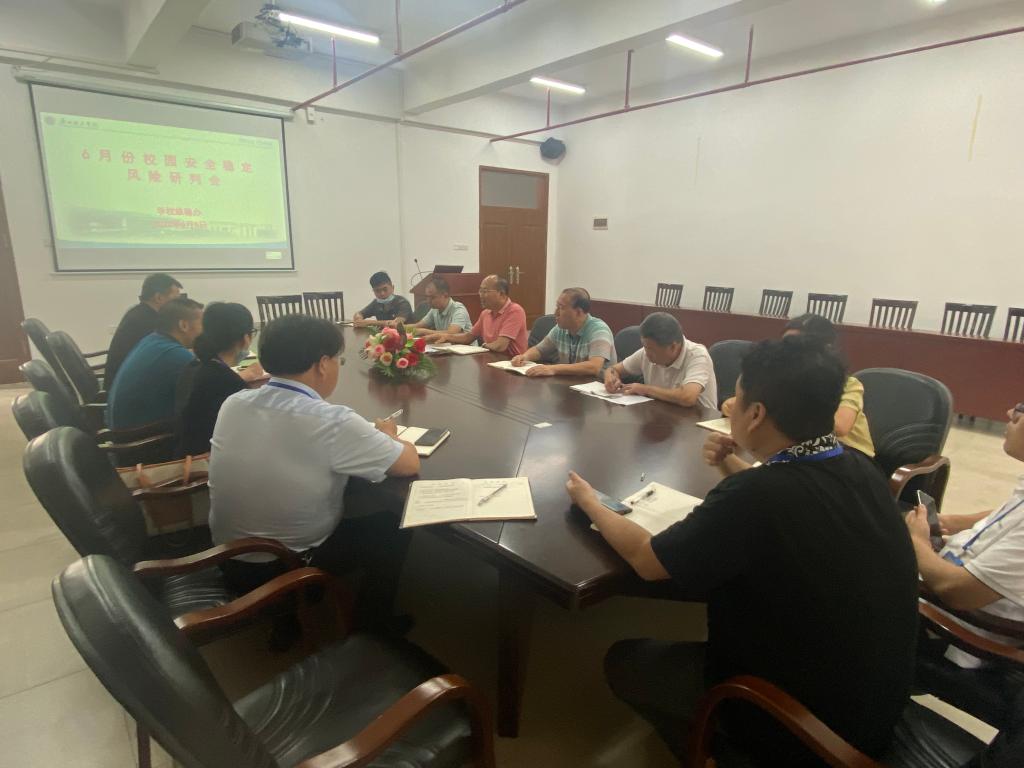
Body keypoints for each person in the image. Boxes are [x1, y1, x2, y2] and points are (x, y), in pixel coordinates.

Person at [566, 337, 918, 764]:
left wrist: (590, 502)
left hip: (803, 727)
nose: (729, 406)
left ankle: (724, 753)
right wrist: (730, 464)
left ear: (756, 414)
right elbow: (779, 499)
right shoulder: (859, 466)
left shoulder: (757, 495)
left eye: (737, 398)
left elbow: (647, 559)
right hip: (874, 704)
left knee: (626, 661)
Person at [208, 313, 420, 630]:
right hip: (286, 570)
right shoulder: (332, 420)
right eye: (338, 360)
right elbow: (408, 463)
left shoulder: (234, 402)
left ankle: (288, 623)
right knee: (394, 525)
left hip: (226, 558)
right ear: (322, 364)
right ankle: (374, 629)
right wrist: (391, 435)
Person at [905, 401, 1024, 728]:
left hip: (953, 629)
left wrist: (918, 542)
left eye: (1022, 409)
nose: (1010, 413)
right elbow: (1008, 512)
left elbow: (955, 591)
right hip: (949, 580)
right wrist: (952, 522)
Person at [721, 313, 875, 458]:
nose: (789, 354)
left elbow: (840, 427)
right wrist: (741, 404)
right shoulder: (784, 379)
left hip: (849, 456)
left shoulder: (849, 385)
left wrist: (779, 410)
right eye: (786, 345)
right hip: (803, 454)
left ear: (825, 350)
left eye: (799, 347)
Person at [177, 302, 266, 457]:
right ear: (246, 339)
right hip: (205, 462)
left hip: (186, 453)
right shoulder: (227, 382)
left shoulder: (194, 366)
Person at [105, 298, 203, 430]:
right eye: (202, 324)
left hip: (120, 428)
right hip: (141, 438)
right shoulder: (176, 355)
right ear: (183, 325)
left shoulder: (152, 340)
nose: (205, 330)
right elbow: (205, 391)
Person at [603, 312, 717, 409]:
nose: (646, 353)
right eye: (645, 346)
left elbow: (687, 397)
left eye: (650, 349)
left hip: (698, 423)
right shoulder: (646, 353)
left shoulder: (698, 355)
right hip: (664, 417)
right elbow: (613, 369)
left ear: (673, 347)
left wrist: (646, 390)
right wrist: (610, 377)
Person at [510, 287, 616, 377]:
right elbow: (539, 350)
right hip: (572, 384)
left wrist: (553, 369)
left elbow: (594, 367)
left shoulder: (599, 330)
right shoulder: (560, 328)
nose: (555, 313)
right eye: (557, 306)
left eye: (561, 308)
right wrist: (525, 357)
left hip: (597, 388)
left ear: (578, 312)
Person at [105, 273, 182, 387]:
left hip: (123, 382)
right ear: (159, 298)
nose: (179, 305)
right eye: (176, 299)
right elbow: (167, 356)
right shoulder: (147, 321)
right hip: (128, 387)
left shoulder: (139, 313)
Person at [423, 274, 528, 356]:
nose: (480, 295)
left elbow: (500, 346)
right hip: (491, 360)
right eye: (480, 291)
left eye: (485, 291)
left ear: (501, 294)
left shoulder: (515, 311)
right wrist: (446, 337)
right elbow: (468, 337)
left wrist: (483, 346)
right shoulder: (485, 313)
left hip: (512, 364)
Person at [405, 276, 472, 336]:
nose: (428, 301)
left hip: (467, 346)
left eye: (432, 297)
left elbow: (452, 333)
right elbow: (418, 326)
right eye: (427, 297)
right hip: (447, 345)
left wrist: (425, 332)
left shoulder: (459, 309)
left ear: (445, 295)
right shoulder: (434, 309)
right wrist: (401, 328)